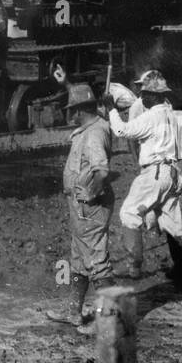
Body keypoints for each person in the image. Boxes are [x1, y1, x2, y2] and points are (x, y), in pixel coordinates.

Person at [105, 70, 182, 286]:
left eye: (144, 93)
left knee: (129, 214)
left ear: (153, 95)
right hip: (173, 173)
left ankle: (133, 267)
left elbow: (121, 130)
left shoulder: (152, 115)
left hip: (155, 171)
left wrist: (111, 110)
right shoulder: (171, 115)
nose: (141, 96)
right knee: (172, 225)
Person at [46, 83, 114, 328]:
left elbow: (102, 170)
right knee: (79, 257)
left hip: (89, 205)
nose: (69, 115)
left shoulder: (94, 133)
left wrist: (89, 195)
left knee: (96, 259)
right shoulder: (91, 128)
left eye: (71, 110)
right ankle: (73, 310)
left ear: (79, 111)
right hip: (81, 205)